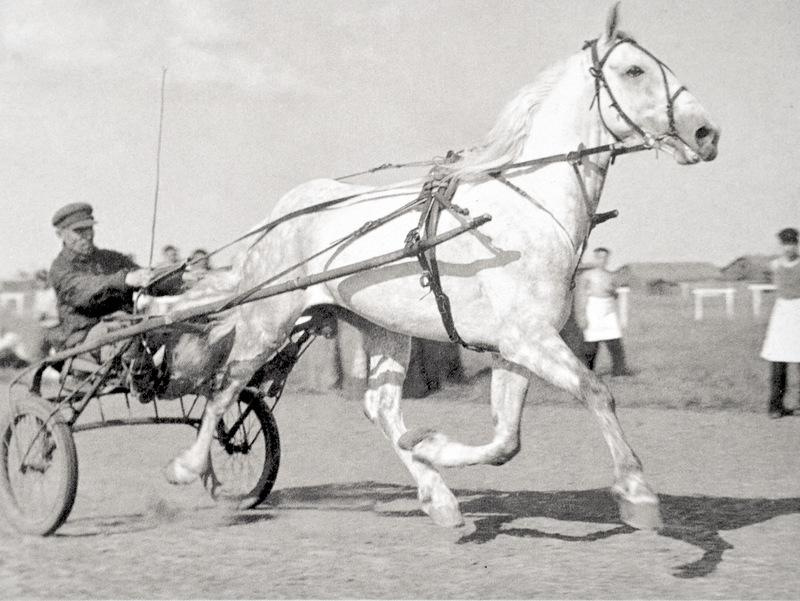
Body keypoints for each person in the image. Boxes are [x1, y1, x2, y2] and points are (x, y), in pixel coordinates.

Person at [760, 227, 800, 418]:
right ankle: (775, 406)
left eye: (792, 243)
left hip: (799, 310)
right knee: (778, 359)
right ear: (780, 245)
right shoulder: (775, 265)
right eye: (785, 244)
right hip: (782, 313)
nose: (788, 248)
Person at [576, 247, 632, 376]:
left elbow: (616, 294)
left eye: (605, 257)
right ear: (595, 258)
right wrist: (582, 315)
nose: (602, 260)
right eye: (599, 257)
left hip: (609, 310)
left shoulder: (610, 275)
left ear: (607, 259)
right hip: (593, 308)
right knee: (591, 344)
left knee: (615, 342)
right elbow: (580, 295)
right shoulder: (587, 275)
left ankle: (619, 372)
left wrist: (613, 290)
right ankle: (587, 373)